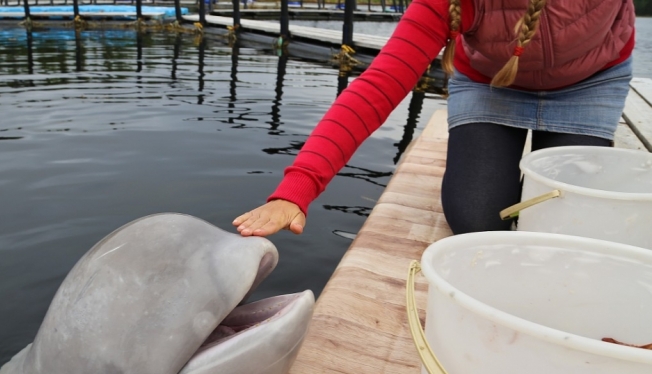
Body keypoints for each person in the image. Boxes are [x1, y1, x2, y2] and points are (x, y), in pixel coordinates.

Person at [233, 0, 635, 237]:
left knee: (567, 227)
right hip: (488, 82)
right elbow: (378, 86)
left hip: (589, 82)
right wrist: (296, 188)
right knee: (475, 219)